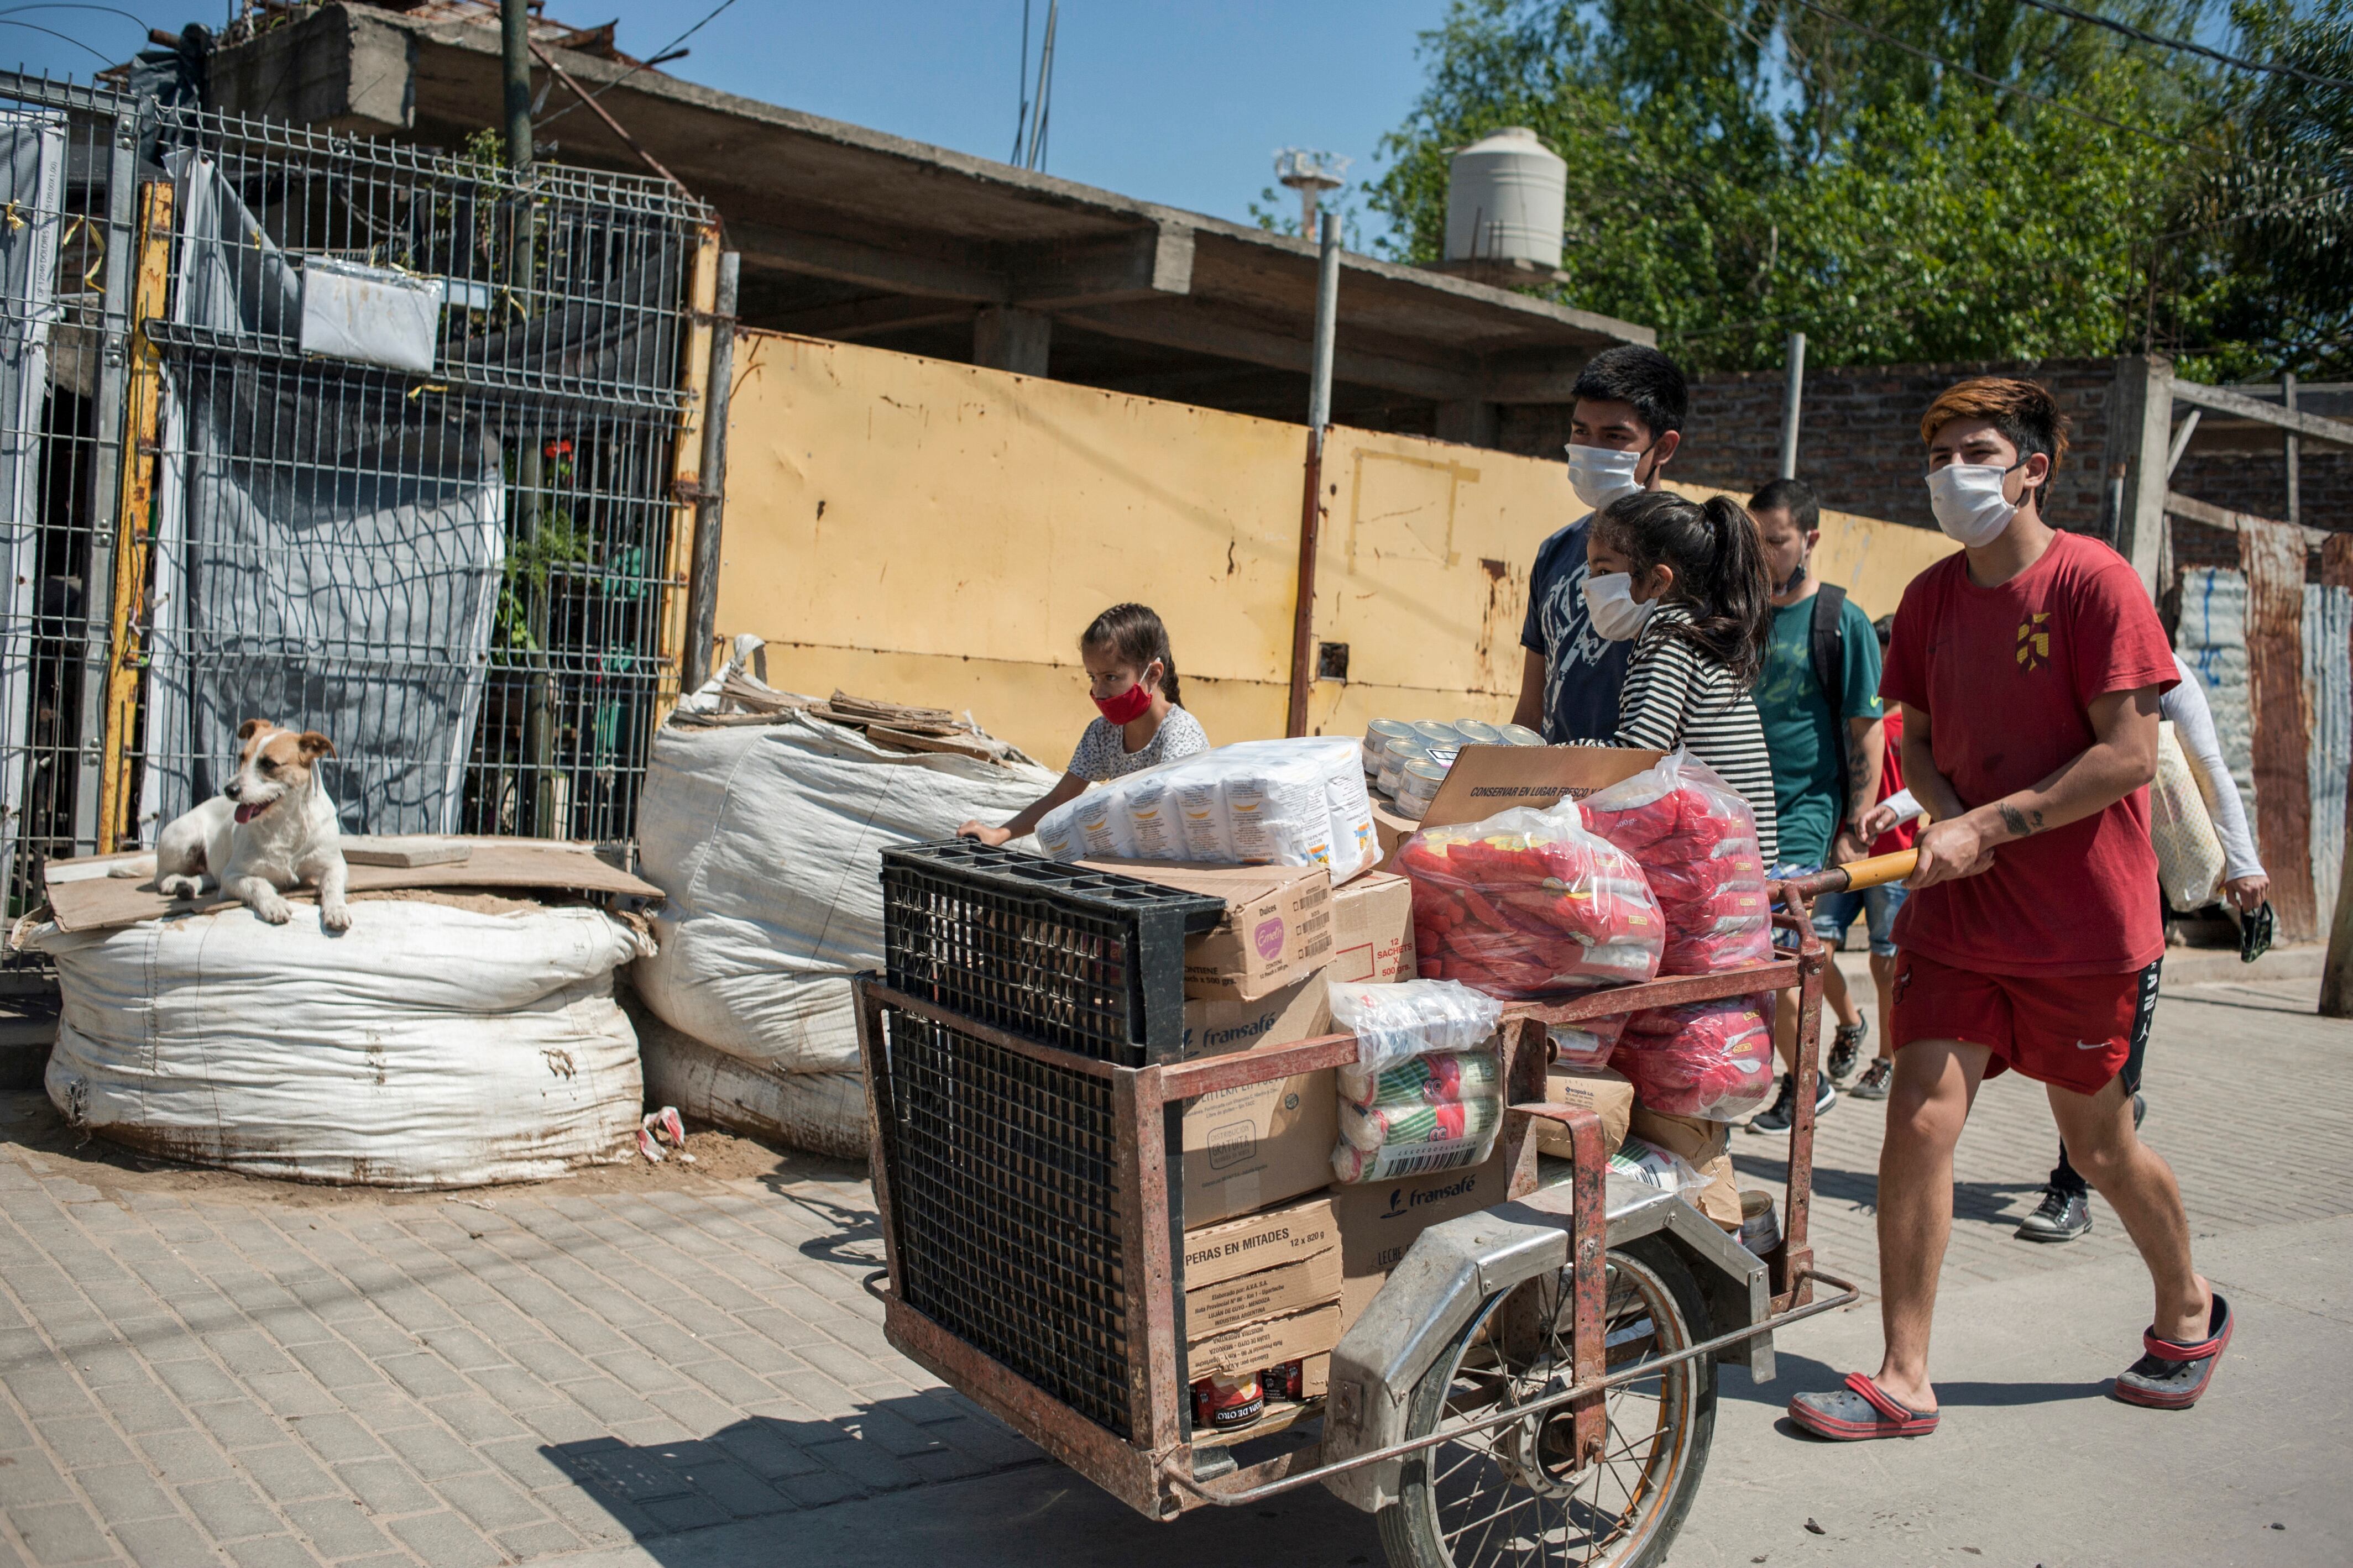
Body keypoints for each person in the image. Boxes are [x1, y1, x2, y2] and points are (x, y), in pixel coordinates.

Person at [1789, 377, 2230, 1444]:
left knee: (2098, 1145)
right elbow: (1925, 744)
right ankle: (1904, 1375)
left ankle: (2189, 1307)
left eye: (1975, 453)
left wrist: (1985, 826)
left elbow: (2128, 755)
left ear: (2032, 469)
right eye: (1937, 455)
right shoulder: (1930, 599)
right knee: (1917, 1117)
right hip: (1959, 918)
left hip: (2082, 924)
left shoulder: (2095, 582)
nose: (1950, 474)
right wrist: (1943, 819)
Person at [2011, 644, 2269, 1242]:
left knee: (2102, 1050)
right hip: (2052, 886)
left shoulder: (2161, 668)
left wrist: (2243, 862)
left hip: (2132, 889)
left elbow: (2207, 763)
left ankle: (2070, 1189)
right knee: (2073, 1053)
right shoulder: (2044, 655)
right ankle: (2114, 1116)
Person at [1745, 478, 1885, 1134]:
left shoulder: (1841, 622)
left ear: (1809, 539)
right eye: (1754, 541)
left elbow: (1866, 729)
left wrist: (1856, 824)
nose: (1763, 554)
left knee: (1777, 956)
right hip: (1738, 818)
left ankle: (1805, 1083)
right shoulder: (1741, 614)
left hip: (1804, 815)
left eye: (1775, 541)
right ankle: (1814, 1058)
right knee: (1756, 959)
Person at [1575, 490, 1779, 861]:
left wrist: (1551, 763)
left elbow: (1636, 758)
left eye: (1603, 572)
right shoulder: (1693, 633)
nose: (1589, 586)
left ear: (1657, 582)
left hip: (1721, 868)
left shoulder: (1667, 640)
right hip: (1741, 860)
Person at [1514, 346, 1688, 743]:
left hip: (1647, 779)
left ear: (1663, 448)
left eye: (1614, 436)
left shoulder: (1695, 553)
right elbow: (1531, 707)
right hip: (1554, 780)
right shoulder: (1555, 551)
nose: (1592, 449)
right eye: (1581, 432)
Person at [957, 604, 1208, 846]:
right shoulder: (1103, 733)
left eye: (1111, 677)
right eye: (1093, 678)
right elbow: (1060, 798)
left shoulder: (1181, 733)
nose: (1099, 691)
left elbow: (1173, 812)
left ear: (1153, 674)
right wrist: (999, 834)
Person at [1838, 614, 1914, 1104]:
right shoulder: (1855, 718)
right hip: (1847, 853)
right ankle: (1851, 1022)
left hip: (1894, 861)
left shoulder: (1916, 725)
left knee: (1886, 964)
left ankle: (1887, 1059)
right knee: (1816, 949)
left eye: (1886, 659)